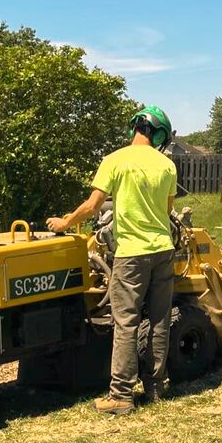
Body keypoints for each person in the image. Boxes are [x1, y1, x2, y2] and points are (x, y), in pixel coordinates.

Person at [46, 105, 177, 415]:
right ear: (157, 134)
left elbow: (93, 206)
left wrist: (65, 223)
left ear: (135, 127)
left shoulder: (115, 160)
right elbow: (167, 209)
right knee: (159, 321)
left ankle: (120, 395)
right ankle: (157, 387)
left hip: (131, 254)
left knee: (126, 322)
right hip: (163, 250)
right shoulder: (167, 166)